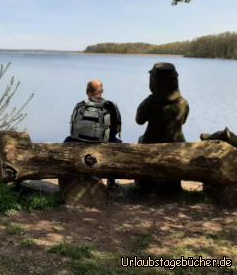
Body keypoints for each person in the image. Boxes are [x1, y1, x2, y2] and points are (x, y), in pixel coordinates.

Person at [135, 62, 189, 191]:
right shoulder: (183, 103)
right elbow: (183, 121)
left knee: (141, 140)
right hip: (176, 144)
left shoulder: (150, 102)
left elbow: (139, 120)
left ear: (154, 81)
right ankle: (173, 184)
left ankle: (144, 183)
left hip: (152, 144)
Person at [65, 79, 122, 189]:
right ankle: (111, 182)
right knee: (117, 144)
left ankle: (69, 177)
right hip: (102, 144)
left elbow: (73, 130)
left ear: (87, 91)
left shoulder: (80, 105)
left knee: (67, 140)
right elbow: (116, 130)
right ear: (102, 91)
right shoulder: (110, 106)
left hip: (80, 142)